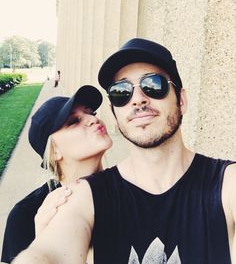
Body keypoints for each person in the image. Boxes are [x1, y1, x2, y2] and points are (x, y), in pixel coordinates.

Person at [12, 38, 236, 264]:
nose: (138, 99)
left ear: (182, 101)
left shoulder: (227, 184)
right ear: (114, 113)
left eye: (154, 85)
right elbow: (48, 254)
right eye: (121, 92)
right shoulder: (83, 197)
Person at [1, 85, 112, 263]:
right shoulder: (24, 216)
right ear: (54, 152)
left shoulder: (130, 189)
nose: (92, 119)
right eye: (74, 121)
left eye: (92, 113)